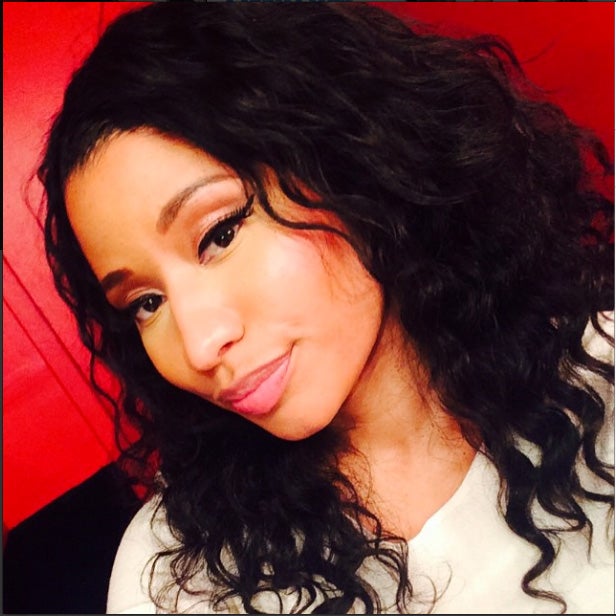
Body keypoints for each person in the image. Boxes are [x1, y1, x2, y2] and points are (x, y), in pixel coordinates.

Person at [39, 3, 614, 614]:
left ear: (349, 160)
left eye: (220, 234)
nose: (200, 344)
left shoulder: (596, 374)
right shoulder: (174, 581)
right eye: (146, 303)